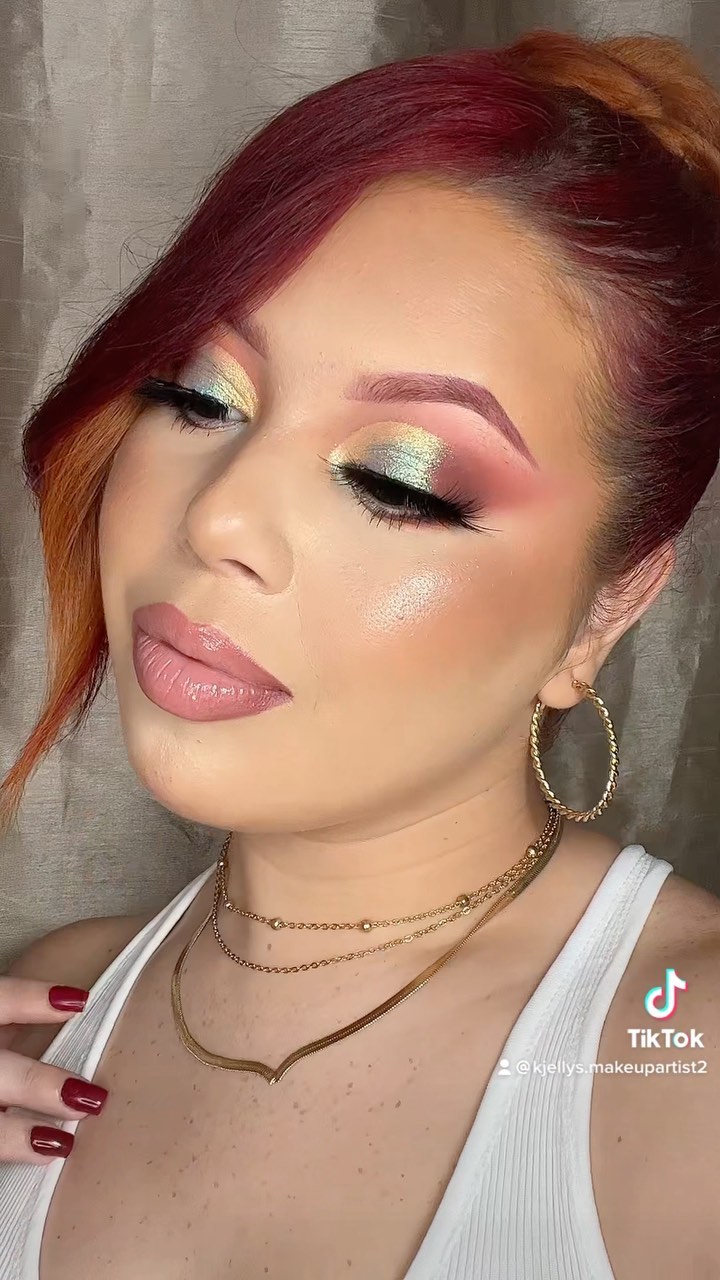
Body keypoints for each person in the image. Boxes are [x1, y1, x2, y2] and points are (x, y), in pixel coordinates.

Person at [0, 24, 719, 1280]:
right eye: (200, 397)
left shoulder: (685, 1064)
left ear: (608, 606)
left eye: (397, 478)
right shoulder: (42, 1018)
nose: (217, 516)